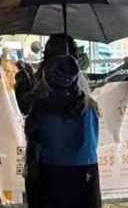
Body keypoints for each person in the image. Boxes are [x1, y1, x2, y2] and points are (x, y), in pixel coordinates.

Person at [22, 35, 100, 208]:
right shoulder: (90, 105)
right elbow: (94, 137)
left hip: (50, 168)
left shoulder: (42, 106)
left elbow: (30, 131)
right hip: (86, 167)